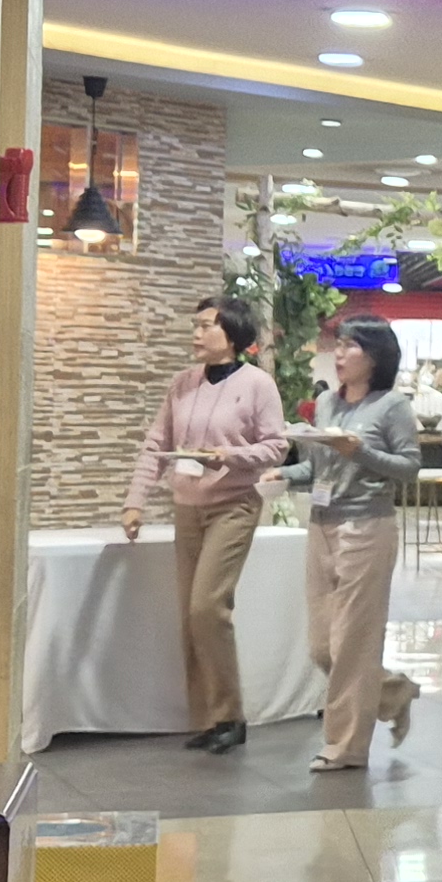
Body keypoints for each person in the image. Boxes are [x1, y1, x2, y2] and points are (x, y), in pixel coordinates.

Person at [118, 298, 290, 751]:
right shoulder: (182, 383)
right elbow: (156, 445)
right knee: (189, 617)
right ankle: (208, 718)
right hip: (187, 508)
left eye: (206, 325)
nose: (196, 333)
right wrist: (134, 502)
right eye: (194, 325)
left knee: (207, 608)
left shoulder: (258, 385)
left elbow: (276, 446)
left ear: (232, 334)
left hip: (234, 505)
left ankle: (231, 715)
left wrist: (229, 457)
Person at [289, 315, 425, 773]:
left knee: (352, 643)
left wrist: (359, 452)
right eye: (339, 344)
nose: (339, 354)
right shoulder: (326, 403)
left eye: (351, 346)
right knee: (323, 647)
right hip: (321, 525)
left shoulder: (392, 406)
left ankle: (345, 746)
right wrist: (277, 473)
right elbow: (315, 470)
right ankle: (393, 692)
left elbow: (409, 468)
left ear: (375, 357)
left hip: (367, 527)